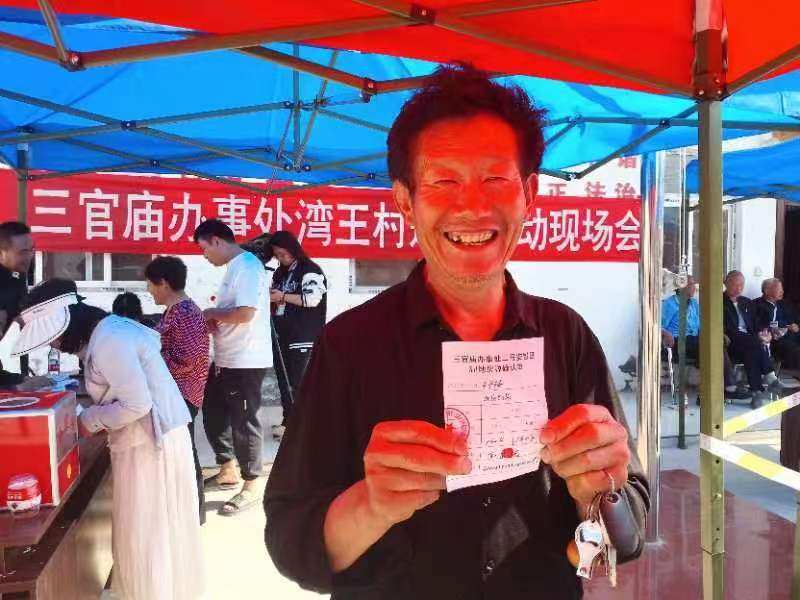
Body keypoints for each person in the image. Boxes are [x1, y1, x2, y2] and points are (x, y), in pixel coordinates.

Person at [265, 64, 648, 600]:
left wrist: (599, 496)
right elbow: (291, 542)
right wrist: (371, 504)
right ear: (405, 200)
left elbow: (625, 536)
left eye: (496, 179)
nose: (471, 206)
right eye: (443, 181)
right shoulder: (350, 344)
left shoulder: (566, 336)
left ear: (529, 193)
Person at [12, 280, 205, 600]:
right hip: (147, 441)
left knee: (147, 538)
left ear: (69, 321)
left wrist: (86, 421)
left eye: (54, 337)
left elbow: (137, 405)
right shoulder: (108, 332)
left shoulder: (109, 340)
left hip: (151, 446)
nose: (55, 345)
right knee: (146, 535)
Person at [195, 219, 272, 516]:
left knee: (244, 420)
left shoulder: (248, 266)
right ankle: (227, 469)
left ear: (217, 240)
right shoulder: (234, 268)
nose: (205, 256)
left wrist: (212, 313)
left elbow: (245, 314)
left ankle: (251, 484)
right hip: (226, 357)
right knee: (214, 412)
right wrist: (216, 319)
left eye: (205, 249)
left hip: (246, 359)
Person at [146, 256, 210, 525]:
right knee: (180, 453)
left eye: (150, 284)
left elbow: (189, 360)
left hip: (184, 394)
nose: (149, 290)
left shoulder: (186, 313)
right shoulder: (177, 311)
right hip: (178, 393)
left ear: (163, 283)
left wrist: (152, 359)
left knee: (184, 454)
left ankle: (193, 514)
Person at [268, 230, 328, 439]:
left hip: (303, 335)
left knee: (300, 382)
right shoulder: (280, 273)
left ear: (293, 249)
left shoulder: (309, 270)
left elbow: (312, 299)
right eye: (277, 255)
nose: (281, 258)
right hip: (281, 334)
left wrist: (283, 296)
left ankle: (305, 426)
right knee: (284, 382)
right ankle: (289, 421)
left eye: (283, 253)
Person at [661, 276, 749, 402]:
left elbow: (702, 325)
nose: (694, 288)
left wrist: (718, 334)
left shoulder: (694, 304)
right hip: (677, 341)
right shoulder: (670, 304)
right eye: (690, 284)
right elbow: (657, 325)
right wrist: (666, 333)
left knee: (714, 346)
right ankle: (727, 388)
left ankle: (708, 394)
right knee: (710, 347)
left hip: (695, 340)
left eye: (693, 284)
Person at [723, 270, 783, 408]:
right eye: (735, 285)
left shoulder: (746, 302)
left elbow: (757, 323)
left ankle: (757, 392)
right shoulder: (720, 301)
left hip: (749, 343)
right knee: (755, 343)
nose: (739, 288)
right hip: (731, 341)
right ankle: (770, 377)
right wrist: (758, 338)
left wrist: (764, 333)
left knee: (753, 350)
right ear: (726, 283)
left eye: (741, 285)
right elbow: (726, 328)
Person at [0, 221, 33, 387]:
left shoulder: (18, 276)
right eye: (22, 252)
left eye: (31, 250)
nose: (29, 257)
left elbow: (25, 315)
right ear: (1, 253)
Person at [753, 277, 800, 370]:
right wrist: (784, 327)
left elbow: (796, 319)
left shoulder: (784, 304)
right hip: (775, 340)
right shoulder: (756, 305)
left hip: (792, 335)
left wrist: (796, 326)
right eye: (779, 289)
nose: (782, 292)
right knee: (794, 349)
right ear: (767, 291)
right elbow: (760, 326)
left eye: (782, 289)